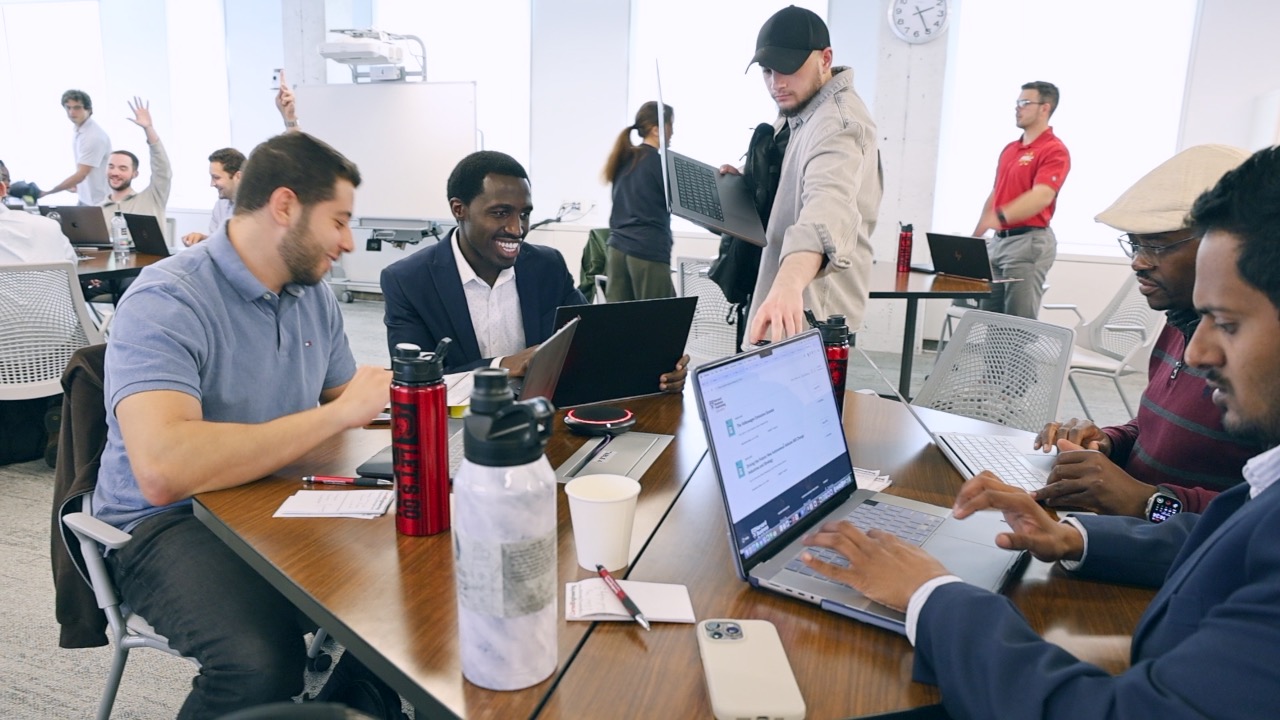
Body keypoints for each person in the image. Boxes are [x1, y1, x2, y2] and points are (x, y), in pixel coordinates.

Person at [800, 145, 1280, 720]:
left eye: (1226, 323)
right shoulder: (1186, 341)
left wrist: (933, 594)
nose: (1201, 349)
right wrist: (1081, 527)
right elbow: (1219, 519)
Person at [92, 131, 391, 719]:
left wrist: (432, 405)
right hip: (166, 524)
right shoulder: (168, 299)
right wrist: (339, 413)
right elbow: (164, 469)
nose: (349, 242)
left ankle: (350, 702)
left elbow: (347, 401)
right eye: (339, 220)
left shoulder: (313, 295)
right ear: (285, 207)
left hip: (273, 496)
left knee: (419, 581)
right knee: (258, 663)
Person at [1033, 145, 1257, 517]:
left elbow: (1262, 519)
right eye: (1134, 244)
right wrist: (1108, 443)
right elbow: (1155, 432)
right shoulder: (1178, 322)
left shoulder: (1261, 359)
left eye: (1156, 244)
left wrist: (1149, 502)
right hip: (1126, 532)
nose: (1138, 261)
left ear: (1225, 245)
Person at [381, 150, 688, 391]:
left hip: (542, 424)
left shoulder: (547, 266)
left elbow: (592, 345)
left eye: (524, 214)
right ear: (459, 209)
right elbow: (414, 380)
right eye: (501, 213)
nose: (517, 229)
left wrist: (656, 373)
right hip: (461, 431)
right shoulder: (408, 281)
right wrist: (503, 365)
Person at [723, 5, 883, 344]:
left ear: (826, 59)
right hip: (780, 303)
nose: (776, 83)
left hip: (809, 317)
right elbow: (793, 184)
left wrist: (788, 283)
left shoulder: (838, 125)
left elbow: (827, 207)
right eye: (767, 71)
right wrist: (743, 182)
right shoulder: (799, 107)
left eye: (788, 69)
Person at [969, 81, 1070, 319]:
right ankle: (992, 359)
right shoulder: (1010, 149)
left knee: (1017, 322)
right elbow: (997, 193)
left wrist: (1002, 216)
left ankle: (1016, 358)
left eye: (1025, 103)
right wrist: (977, 235)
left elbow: (1042, 195)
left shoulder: (1053, 150)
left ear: (1045, 108)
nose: (1018, 108)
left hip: (1028, 242)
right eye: (1018, 102)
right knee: (991, 318)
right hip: (998, 244)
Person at [602, 101, 675, 302]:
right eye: (671, 125)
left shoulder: (624, 159)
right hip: (647, 251)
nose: (673, 132)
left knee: (620, 323)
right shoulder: (658, 164)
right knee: (658, 322)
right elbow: (679, 204)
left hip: (617, 251)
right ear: (656, 130)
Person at [99, 97, 173, 233]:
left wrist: (148, 128)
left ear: (135, 173)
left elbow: (162, 169)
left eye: (123, 168)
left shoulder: (152, 198)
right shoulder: (97, 212)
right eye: (111, 166)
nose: (115, 172)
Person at [42, 89, 111, 205]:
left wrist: (48, 192)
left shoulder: (93, 136)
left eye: (77, 107)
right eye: (68, 107)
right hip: (85, 198)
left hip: (98, 201)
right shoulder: (79, 130)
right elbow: (82, 170)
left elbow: (81, 174)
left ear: (89, 109)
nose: (72, 112)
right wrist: (75, 184)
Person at [0, 159, 77, 264]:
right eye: (4, 179)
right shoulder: (49, 226)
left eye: (8, 179)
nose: (8, 184)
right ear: (2, 189)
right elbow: (72, 266)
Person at [181, 147, 245, 247]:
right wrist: (203, 239)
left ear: (238, 177)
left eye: (216, 178)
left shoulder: (257, 209)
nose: (212, 184)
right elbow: (218, 243)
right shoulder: (220, 205)